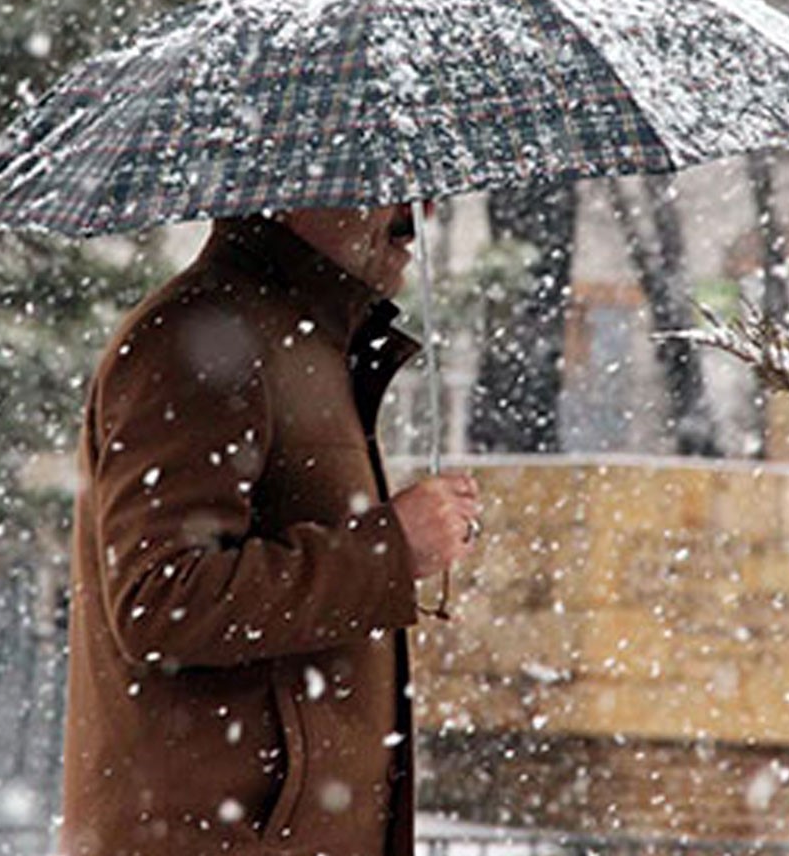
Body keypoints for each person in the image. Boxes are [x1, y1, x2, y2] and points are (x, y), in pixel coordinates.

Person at [60, 204, 481, 856]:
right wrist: (391, 549)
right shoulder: (199, 338)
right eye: (391, 188)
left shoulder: (300, 339)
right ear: (301, 189)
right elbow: (160, 600)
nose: (420, 214)